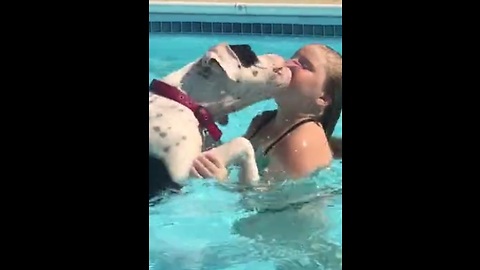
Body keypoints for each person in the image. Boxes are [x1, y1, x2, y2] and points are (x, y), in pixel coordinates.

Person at [190, 44, 342, 182]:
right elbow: (236, 164)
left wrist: (223, 182)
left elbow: (276, 206)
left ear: (322, 98)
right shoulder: (263, 121)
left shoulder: (303, 143)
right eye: (293, 58)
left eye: (303, 65)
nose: (288, 64)